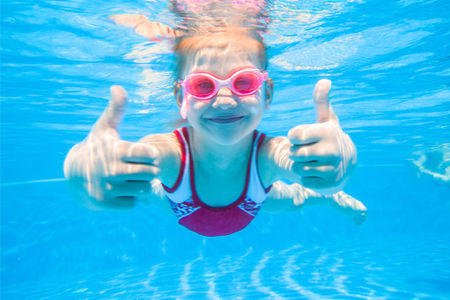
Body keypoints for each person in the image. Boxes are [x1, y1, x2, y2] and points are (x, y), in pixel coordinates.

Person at [64, 2, 366, 237]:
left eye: (244, 82)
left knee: (297, 200)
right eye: (203, 85)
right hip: (182, 207)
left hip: (249, 203)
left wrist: (330, 168)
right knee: (149, 193)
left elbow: (298, 162)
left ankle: (333, 200)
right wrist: (83, 176)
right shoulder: (169, 153)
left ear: (268, 93)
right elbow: (136, 159)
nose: (223, 100)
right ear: (182, 98)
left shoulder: (269, 154)